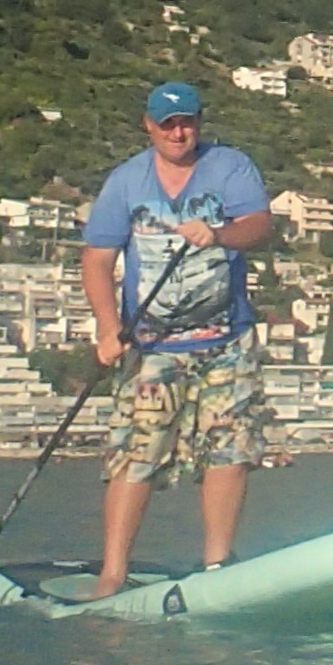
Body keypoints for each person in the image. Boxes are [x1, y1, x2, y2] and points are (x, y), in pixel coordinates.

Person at [78, 79, 279, 597]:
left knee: (229, 452)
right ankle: (113, 574)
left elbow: (258, 225)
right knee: (136, 453)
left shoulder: (230, 167)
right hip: (151, 346)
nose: (178, 132)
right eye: (167, 123)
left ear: (199, 123)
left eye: (186, 121)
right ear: (148, 125)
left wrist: (219, 234)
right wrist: (106, 328)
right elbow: (98, 258)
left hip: (225, 340)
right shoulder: (126, 181)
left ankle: (217, 566)